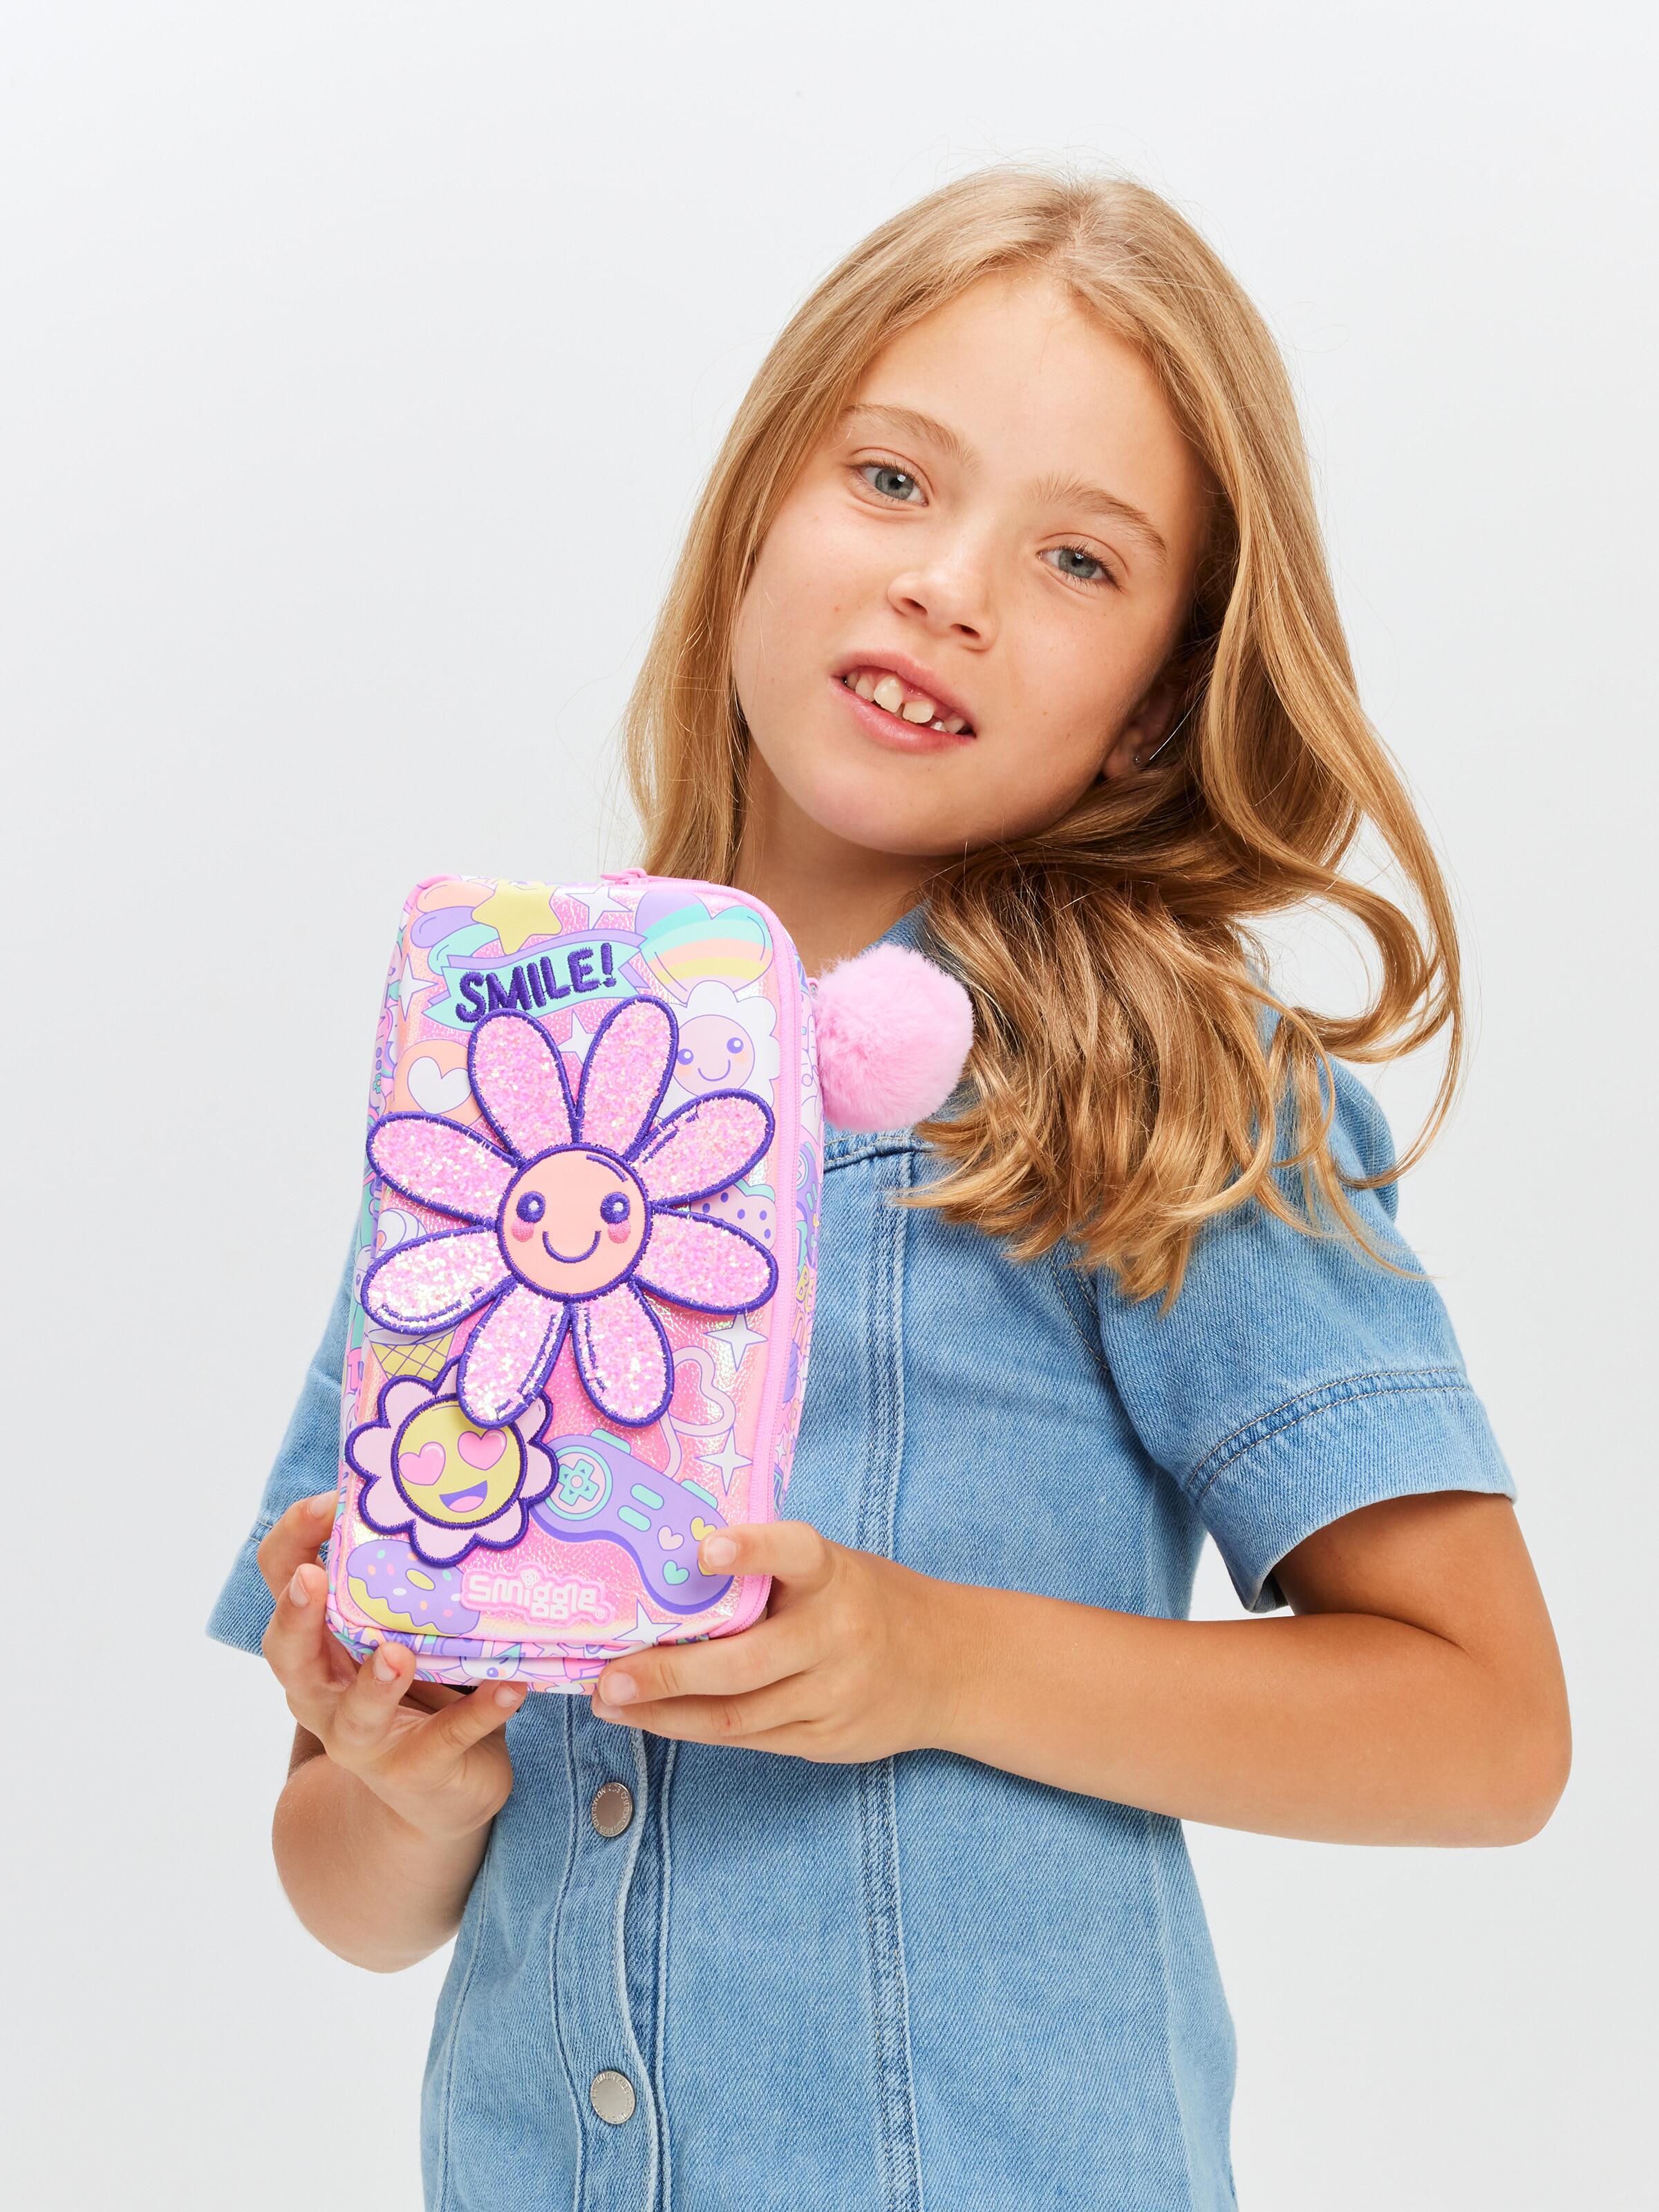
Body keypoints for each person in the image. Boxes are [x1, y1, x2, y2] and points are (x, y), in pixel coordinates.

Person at [207, 166, 1569, 2211]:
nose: (952, 587)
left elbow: (1489, 1733)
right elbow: (350, 1895)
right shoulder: (504, 1104)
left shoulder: (1155, 1088)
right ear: (758, 507)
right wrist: (405, 1776)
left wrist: (936, 1663)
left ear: (1153, 709)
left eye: (1079, 559)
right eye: (894, 478)